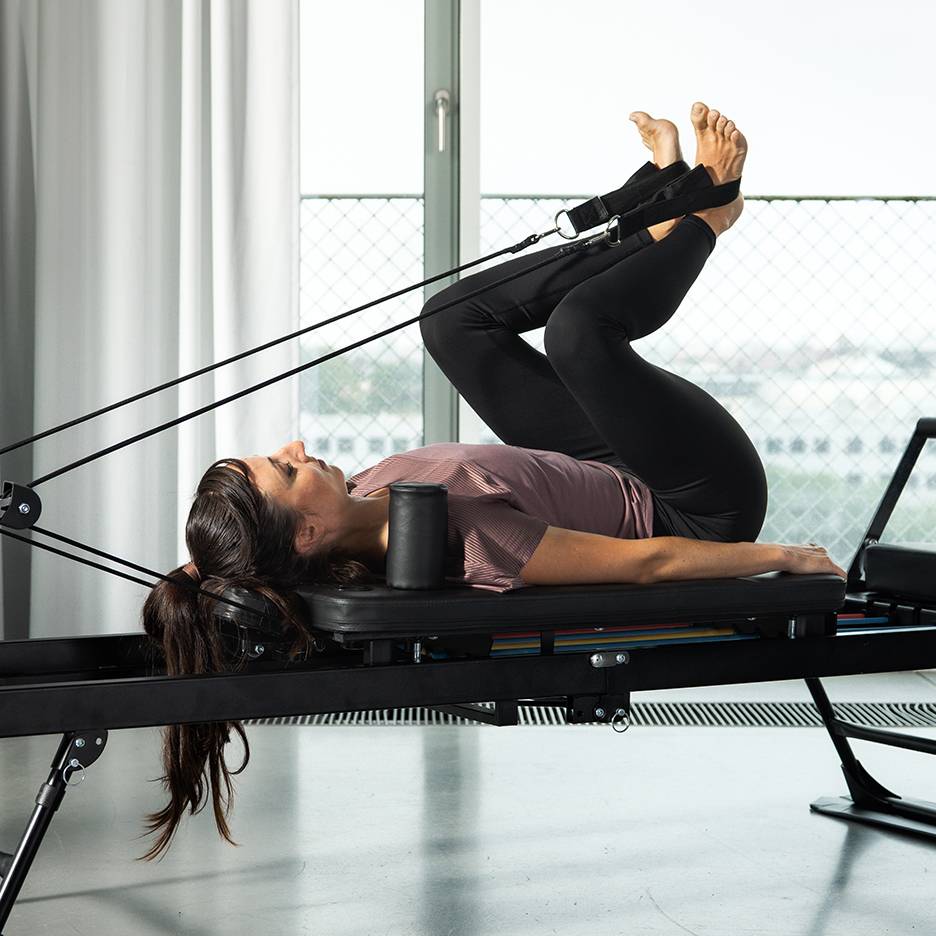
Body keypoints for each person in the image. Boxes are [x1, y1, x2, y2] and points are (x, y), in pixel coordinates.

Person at [140, 102, 846, 858]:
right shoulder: (466, 541)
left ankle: (654, 217)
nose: (297, 444)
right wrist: (787, 557)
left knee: (449, 322)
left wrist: (198, 575)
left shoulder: (369, 494)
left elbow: (220, 567)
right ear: (306, 532)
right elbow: (652, 563)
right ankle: (710, 212)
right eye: (284, 469)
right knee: (578, 335)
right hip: (692, 500)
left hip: (600, 463)